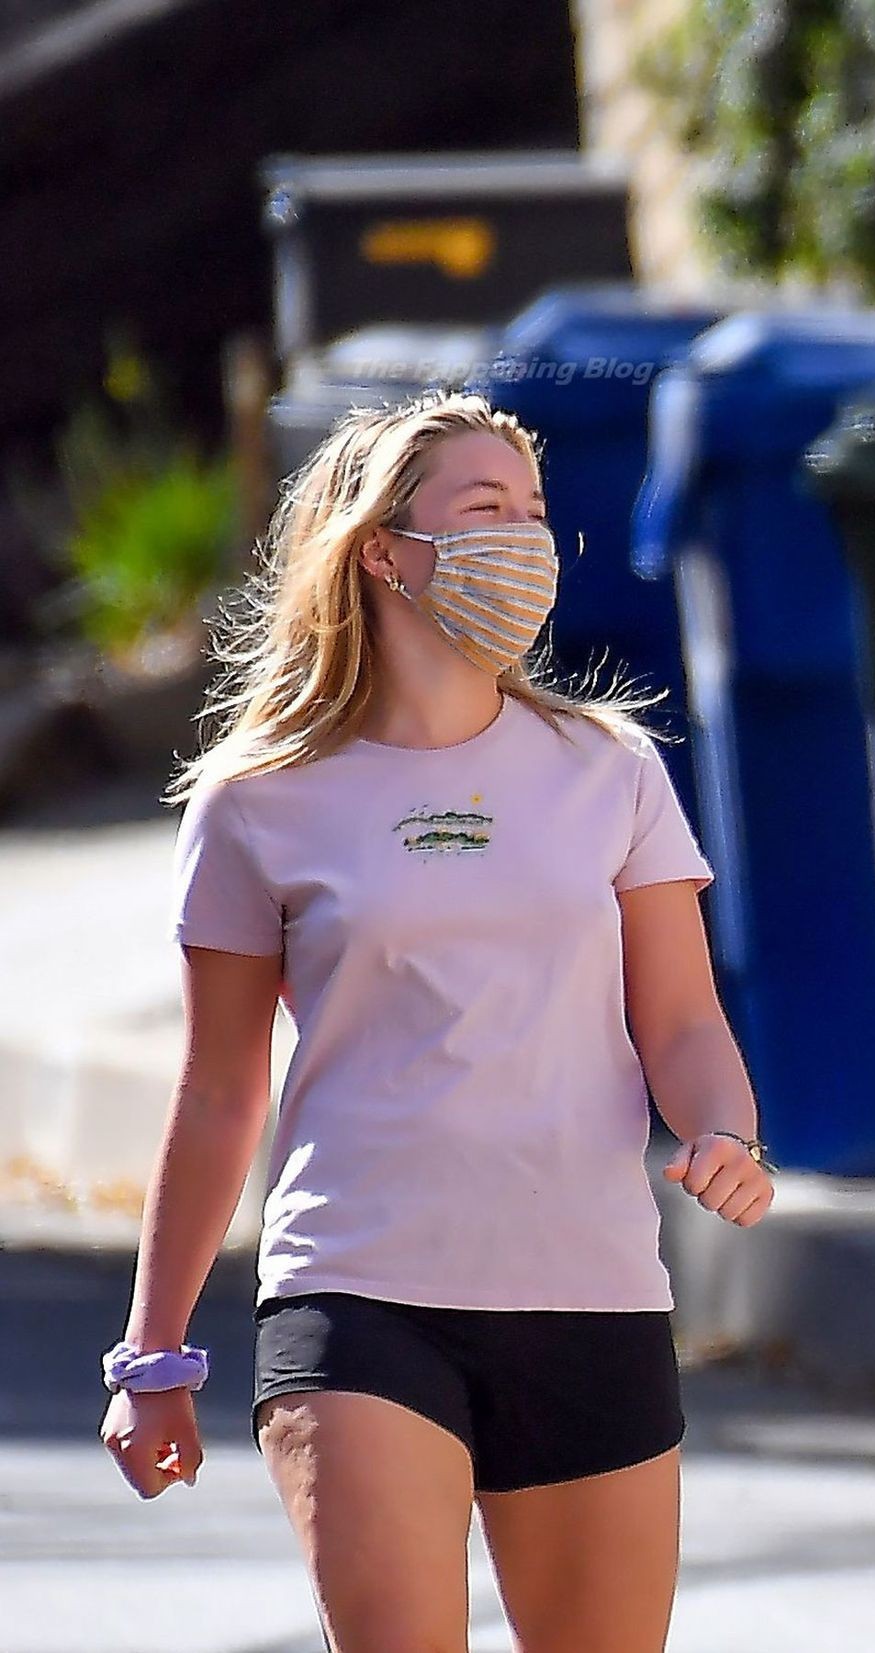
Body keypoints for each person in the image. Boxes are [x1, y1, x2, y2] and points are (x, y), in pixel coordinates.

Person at [98, 390, 774, 1652]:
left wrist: (725, 1132)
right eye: (485, 509)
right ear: (383, 552)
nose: (526, 538)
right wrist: (154, 1354)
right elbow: (220, 1090)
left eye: (533, 510)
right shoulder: (258, 801)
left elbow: (682, 1020)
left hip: (590, 1292)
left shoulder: (612, 770)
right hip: (358, 1291)